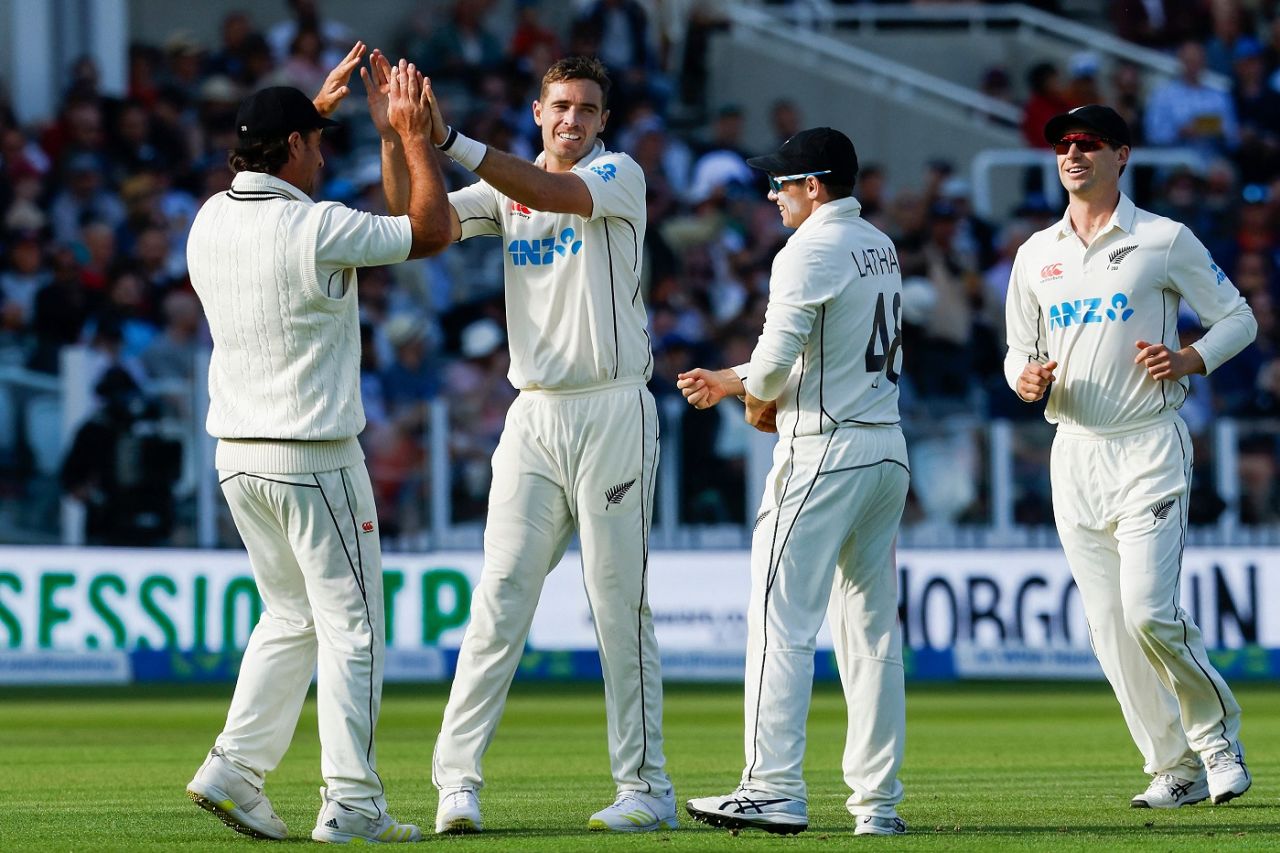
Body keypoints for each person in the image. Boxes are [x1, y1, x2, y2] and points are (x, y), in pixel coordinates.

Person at [183, 43, 451, 843]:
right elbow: (431, 231)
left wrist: (313, 114)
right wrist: (406, 134)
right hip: (312, 456)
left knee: (289, 615)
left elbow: (280, 168)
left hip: (237, 455)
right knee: (354, 627)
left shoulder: (207, 214)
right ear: (296, 147)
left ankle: (234, 767)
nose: (324, 151)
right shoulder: (318, 227)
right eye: (318, 140)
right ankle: (353, 803)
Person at [417, 55, 675, 835]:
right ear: (537, 111)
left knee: (615, 603)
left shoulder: (616, 173)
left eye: (587, 109)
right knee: (499, 597)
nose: (572, 120)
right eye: (560, 106)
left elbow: (553, 194)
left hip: (611, 407)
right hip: (532, 414)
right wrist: (403, 140)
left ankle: (645, 787)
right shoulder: (505, 186)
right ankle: (456, 782)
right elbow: (421, 225)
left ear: (602, 121)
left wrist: (451, 138)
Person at [1005, 104, 1256, 810]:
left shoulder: (1161, 239)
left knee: (1148, 611)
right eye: (1063, 145)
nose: (1073, 155)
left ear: (1122, 155)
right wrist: (1023, 378)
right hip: (1073, 455)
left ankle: (1217, 743)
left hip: (1147, 443)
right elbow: (1017, 350)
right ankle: (1172, 767)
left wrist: (1188, 359)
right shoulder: (1037, 253)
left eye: (1088, 144)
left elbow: (1239, 317)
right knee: (1111, 628)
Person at [678, 127, 910, 837]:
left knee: (781, 619)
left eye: (782, 183)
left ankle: (771, 785)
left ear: (815, 186)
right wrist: (758, 386)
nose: (771, 195)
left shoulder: (807, 249)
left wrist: (732, 381)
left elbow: (774, 367)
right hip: (884, 445)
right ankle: (877, 804)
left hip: (825, 451)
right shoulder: (879, 242)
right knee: (870, 633)